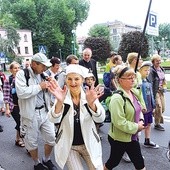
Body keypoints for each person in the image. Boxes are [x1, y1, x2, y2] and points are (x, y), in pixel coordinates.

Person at [48, 64, 105, 170]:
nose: (73, 83)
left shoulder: (89, 96)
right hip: (70, 147)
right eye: (69, 79)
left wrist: (92, 104)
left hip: (89, 143)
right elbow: (53, 119)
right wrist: (60, 102)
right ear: (66, 80)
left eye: (76, 79)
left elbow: (100, 119)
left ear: (82, 80)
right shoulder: (62, 96)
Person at [15, 53, 57, 170]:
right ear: (34, 64)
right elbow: (21, 93)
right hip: (30, 114)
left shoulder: (43, 74)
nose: (45, 68)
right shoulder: (22, 74)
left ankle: (46, 159)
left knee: (51, 138)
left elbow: (48, 94)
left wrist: (50, 86)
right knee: (31, 142)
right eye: (43, 66)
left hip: (44, 111)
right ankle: (36, 163)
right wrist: (40, 86)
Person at [104, 65, 146, 170]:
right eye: (129, 77)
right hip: (119, 139)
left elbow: (138, 109)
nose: (133, 80)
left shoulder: (133, 93)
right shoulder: (117, 98)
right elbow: (119, 122)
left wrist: (141, 120)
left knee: (139, 163)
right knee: (113, 162)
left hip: (132, 137)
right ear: (120, 80)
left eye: (133, 77)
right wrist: (137, 127)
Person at [3, 62, 25, 147]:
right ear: (11, 70)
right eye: (15, 68)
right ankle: (26, 143)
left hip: (23, 106)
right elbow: (6, 96)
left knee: (20, 123)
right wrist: (7, 109)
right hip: (14, 106)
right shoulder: (7, 80)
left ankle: (17, 139)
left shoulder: (22, 79)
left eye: (19, 68)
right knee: (20, 123)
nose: (17, 69)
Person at [139, 61, 159, 148]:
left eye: (148, 70)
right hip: (142, 108)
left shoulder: (147, 81)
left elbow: (151, 94)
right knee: (140, 126)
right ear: (139, 71)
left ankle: (147, 140)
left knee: (149, 124)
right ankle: (135, 143)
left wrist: (153, 105)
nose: (147, 72)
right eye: (145, 70)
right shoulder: (138, 83)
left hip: (149, 107)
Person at [148, 54, 166, 131]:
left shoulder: (161, 69)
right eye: (157, 61)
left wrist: (164, 86)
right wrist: (151, 92)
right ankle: (157, 124)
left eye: (159, 60)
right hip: (155, 91)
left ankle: (154, 113)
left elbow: (163, 80)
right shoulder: (151, 71)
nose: (158, 62)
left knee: (163, 108)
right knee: (159, 106)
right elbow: (150, 82)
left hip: (161, 91)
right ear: (153, 62)